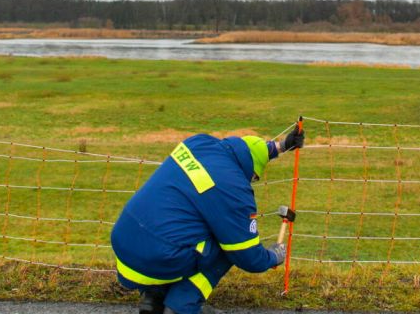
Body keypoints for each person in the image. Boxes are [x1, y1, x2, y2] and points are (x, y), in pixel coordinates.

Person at [110, 122, 304, 314]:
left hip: (125, 243)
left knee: (180, 226)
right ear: (251, 173)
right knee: (230, 245)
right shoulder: (234, 189)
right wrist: (274, 256)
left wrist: (281, 146)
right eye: (254, 178)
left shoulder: (198, 143)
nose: (252, 181)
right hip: (156, 258)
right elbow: (248, 256)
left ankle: (152, 300)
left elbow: (247, 151)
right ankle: (181, 306)